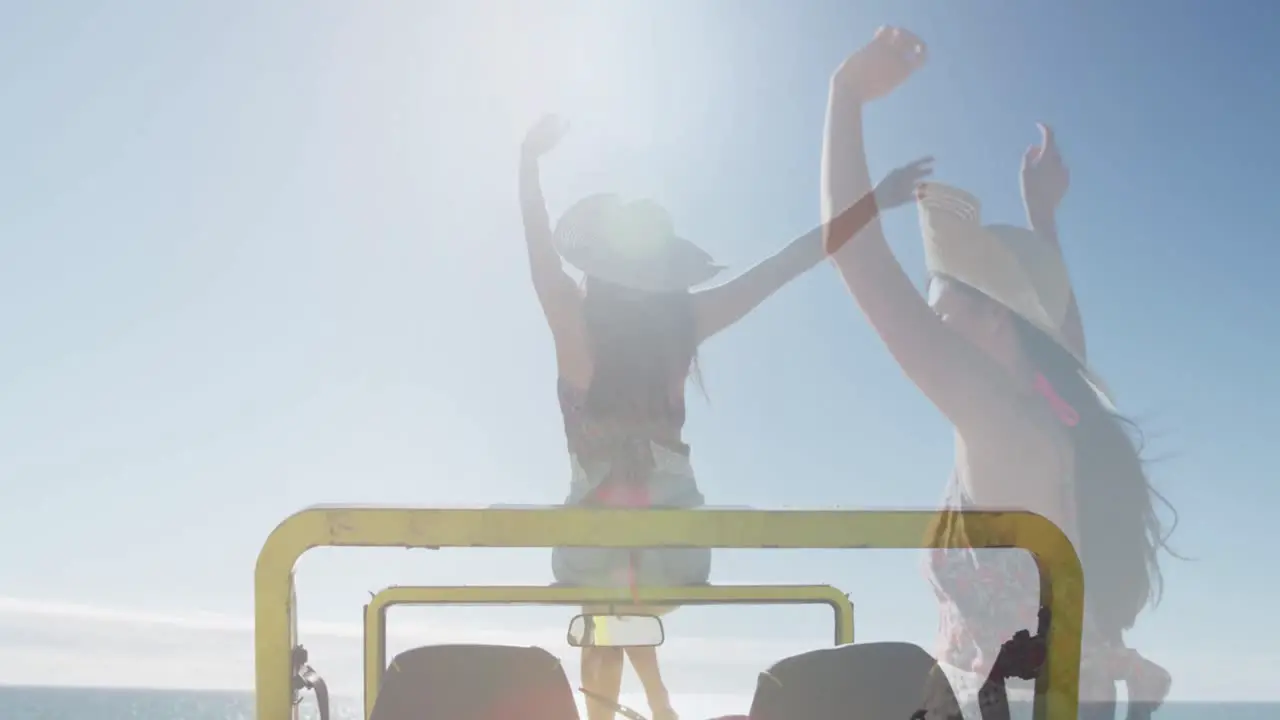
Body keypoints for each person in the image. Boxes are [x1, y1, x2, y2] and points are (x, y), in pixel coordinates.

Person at [820, 27, 1177, 719]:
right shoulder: (1054, 411)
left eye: (940, 301)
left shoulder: (996, 416)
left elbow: (856, 258)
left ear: (992, 321)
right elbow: (1062, 336)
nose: (930, 319)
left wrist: (846, 96)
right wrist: (1043, 220)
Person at [519, 113, 926, 720]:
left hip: (591, 551)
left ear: (598, 270)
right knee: (617, 594)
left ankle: (627, 709)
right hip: (679, 550)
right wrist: (874, 200)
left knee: (602, 591)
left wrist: (527, 161)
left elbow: (539, 254)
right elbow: (788, 262)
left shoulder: (572, 324)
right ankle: (659, 704)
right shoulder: (684, 325)